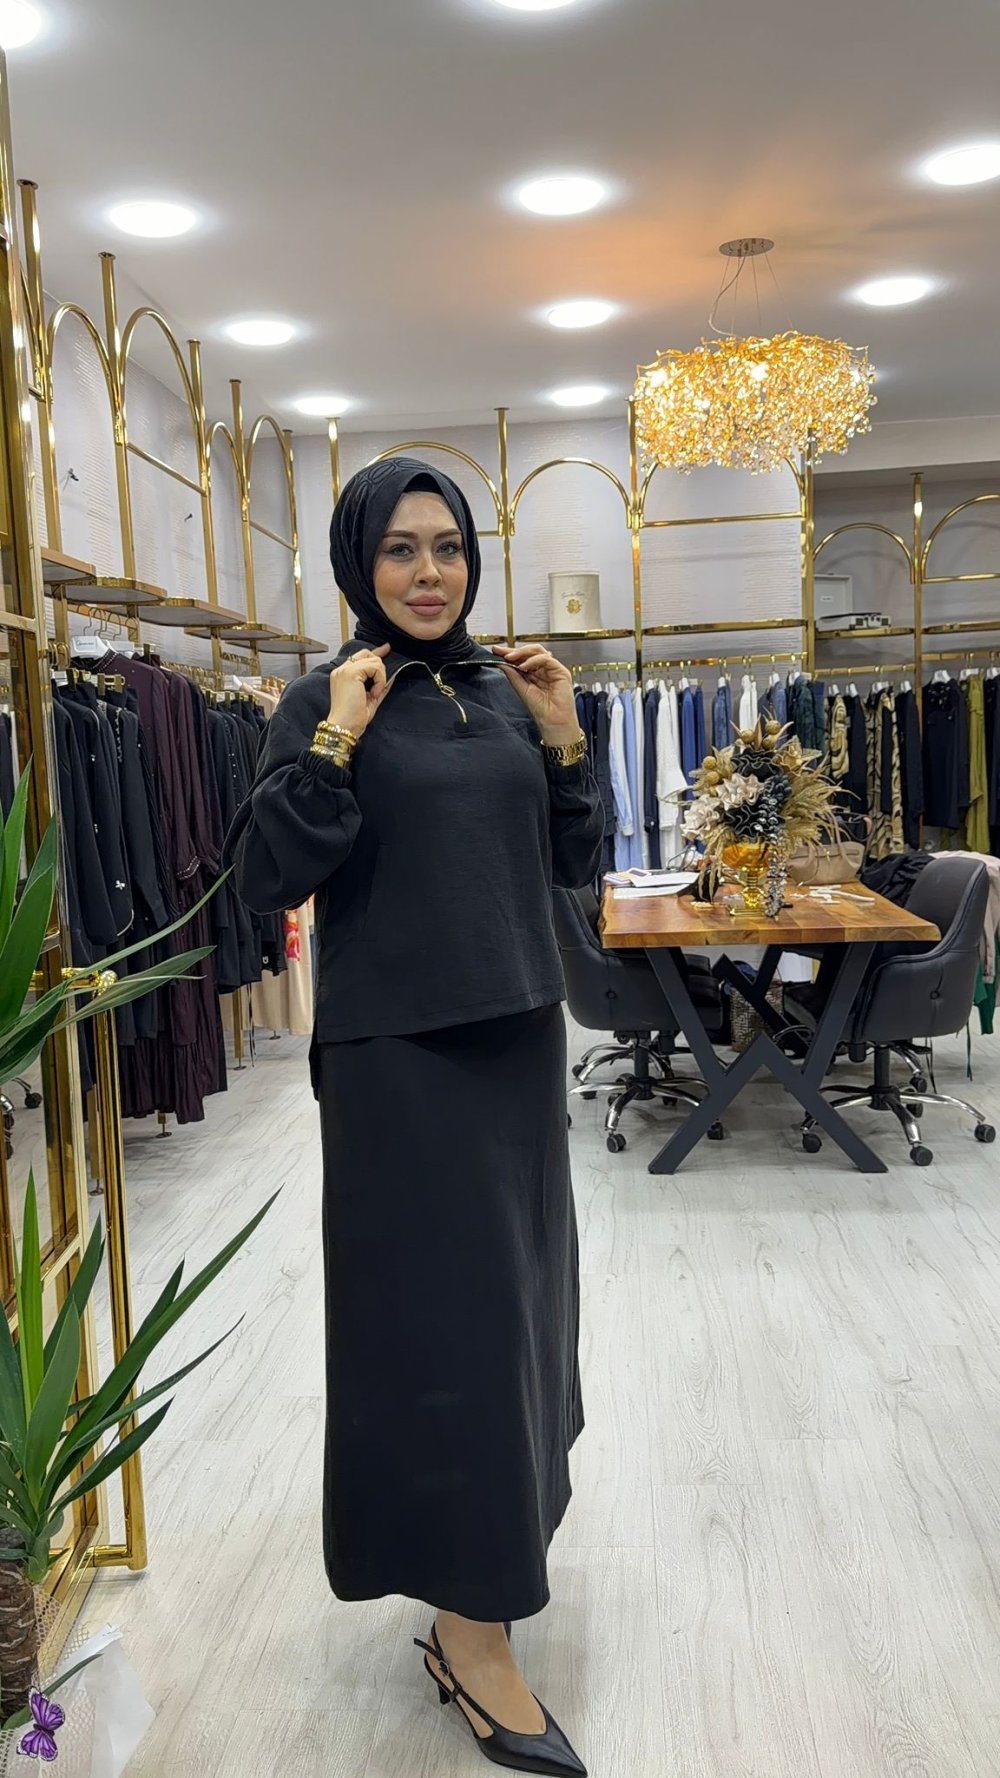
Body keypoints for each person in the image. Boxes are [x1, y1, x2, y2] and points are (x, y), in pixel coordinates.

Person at [227, 456, 603, 1777]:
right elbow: (268, 873)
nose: (430, 571)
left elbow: (572, 860)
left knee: (521, 1319)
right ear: (358, 564)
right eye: (400, 549)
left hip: (516, 1043)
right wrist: (336, 734)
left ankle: (484, 1582)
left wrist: (563, 735)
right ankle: (470, 1626)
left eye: (447, 546)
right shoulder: (327, 696)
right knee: (439, 1338)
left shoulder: (503, 689)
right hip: (399, 1062)